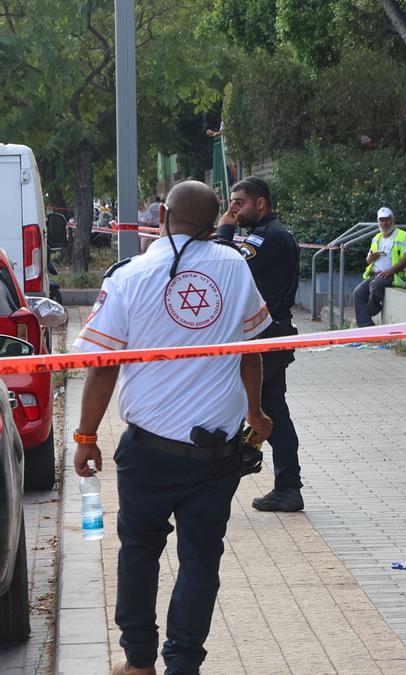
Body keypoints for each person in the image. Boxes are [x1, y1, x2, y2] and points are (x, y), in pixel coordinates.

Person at [72, 181, 273, 675]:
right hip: (217, 455)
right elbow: (250, 351)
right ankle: (184, 664)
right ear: (212, 225)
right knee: (201, 561)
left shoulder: (131, 274)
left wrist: (85, 437)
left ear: (161, 214)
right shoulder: (235, 267)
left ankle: (138, 663)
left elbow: (103, 365)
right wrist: (256, 413)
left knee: (139, 553)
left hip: (149, 453)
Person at [216, 176, 305, 511]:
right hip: (267, 334)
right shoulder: (266, 234)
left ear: (261, 203)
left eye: (239, 202)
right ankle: (285, 484)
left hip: (267, 337)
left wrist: (224, 229)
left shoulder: (269, 236)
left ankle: (279, 481)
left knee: (263, 410)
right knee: (270, 409)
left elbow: (228, 266)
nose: (233, 209)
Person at [353, 206, 406, 327]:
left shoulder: (404, 236)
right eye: (381, 220)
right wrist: (371, 258)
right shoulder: (376, 238)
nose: (384, 223)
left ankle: (371, 310)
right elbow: (368, 260)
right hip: (377, 274)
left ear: (393, 220)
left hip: (396, 275)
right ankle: (366, 326)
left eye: (387, 219)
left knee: (376, 285)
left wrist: (390, 271)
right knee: (358, 292)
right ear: (378, 222)